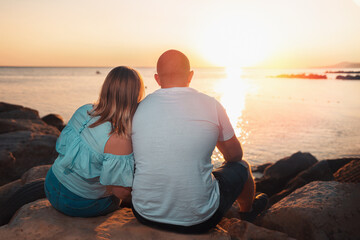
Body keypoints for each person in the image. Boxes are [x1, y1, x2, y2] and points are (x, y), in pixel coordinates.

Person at [131, 50, 268, 233]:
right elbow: (235, 155)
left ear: (157, 79)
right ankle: (248, 212)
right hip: (199, 220)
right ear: (190, 76)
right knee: (242, 166)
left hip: (144, 214)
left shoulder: (139, 108)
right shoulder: (211, 105)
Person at [44, 66, 145, 217]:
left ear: (106, 88)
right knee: (117, 199)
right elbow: (121, 192)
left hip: (51, 184)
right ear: (136, 95)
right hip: (79, 202)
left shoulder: (84, 110)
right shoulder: (119, 139)